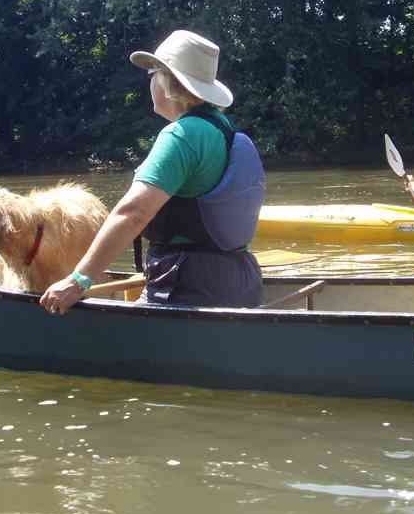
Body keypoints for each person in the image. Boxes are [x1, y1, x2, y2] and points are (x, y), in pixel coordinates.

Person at [38, 29, 266, 315]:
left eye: (153, 74)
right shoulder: (229, 133)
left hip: (187, 284)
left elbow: (133, 213)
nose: (151, 83)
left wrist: (78, 279)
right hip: (242, 281)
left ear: (167, 81)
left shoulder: (182, 136)